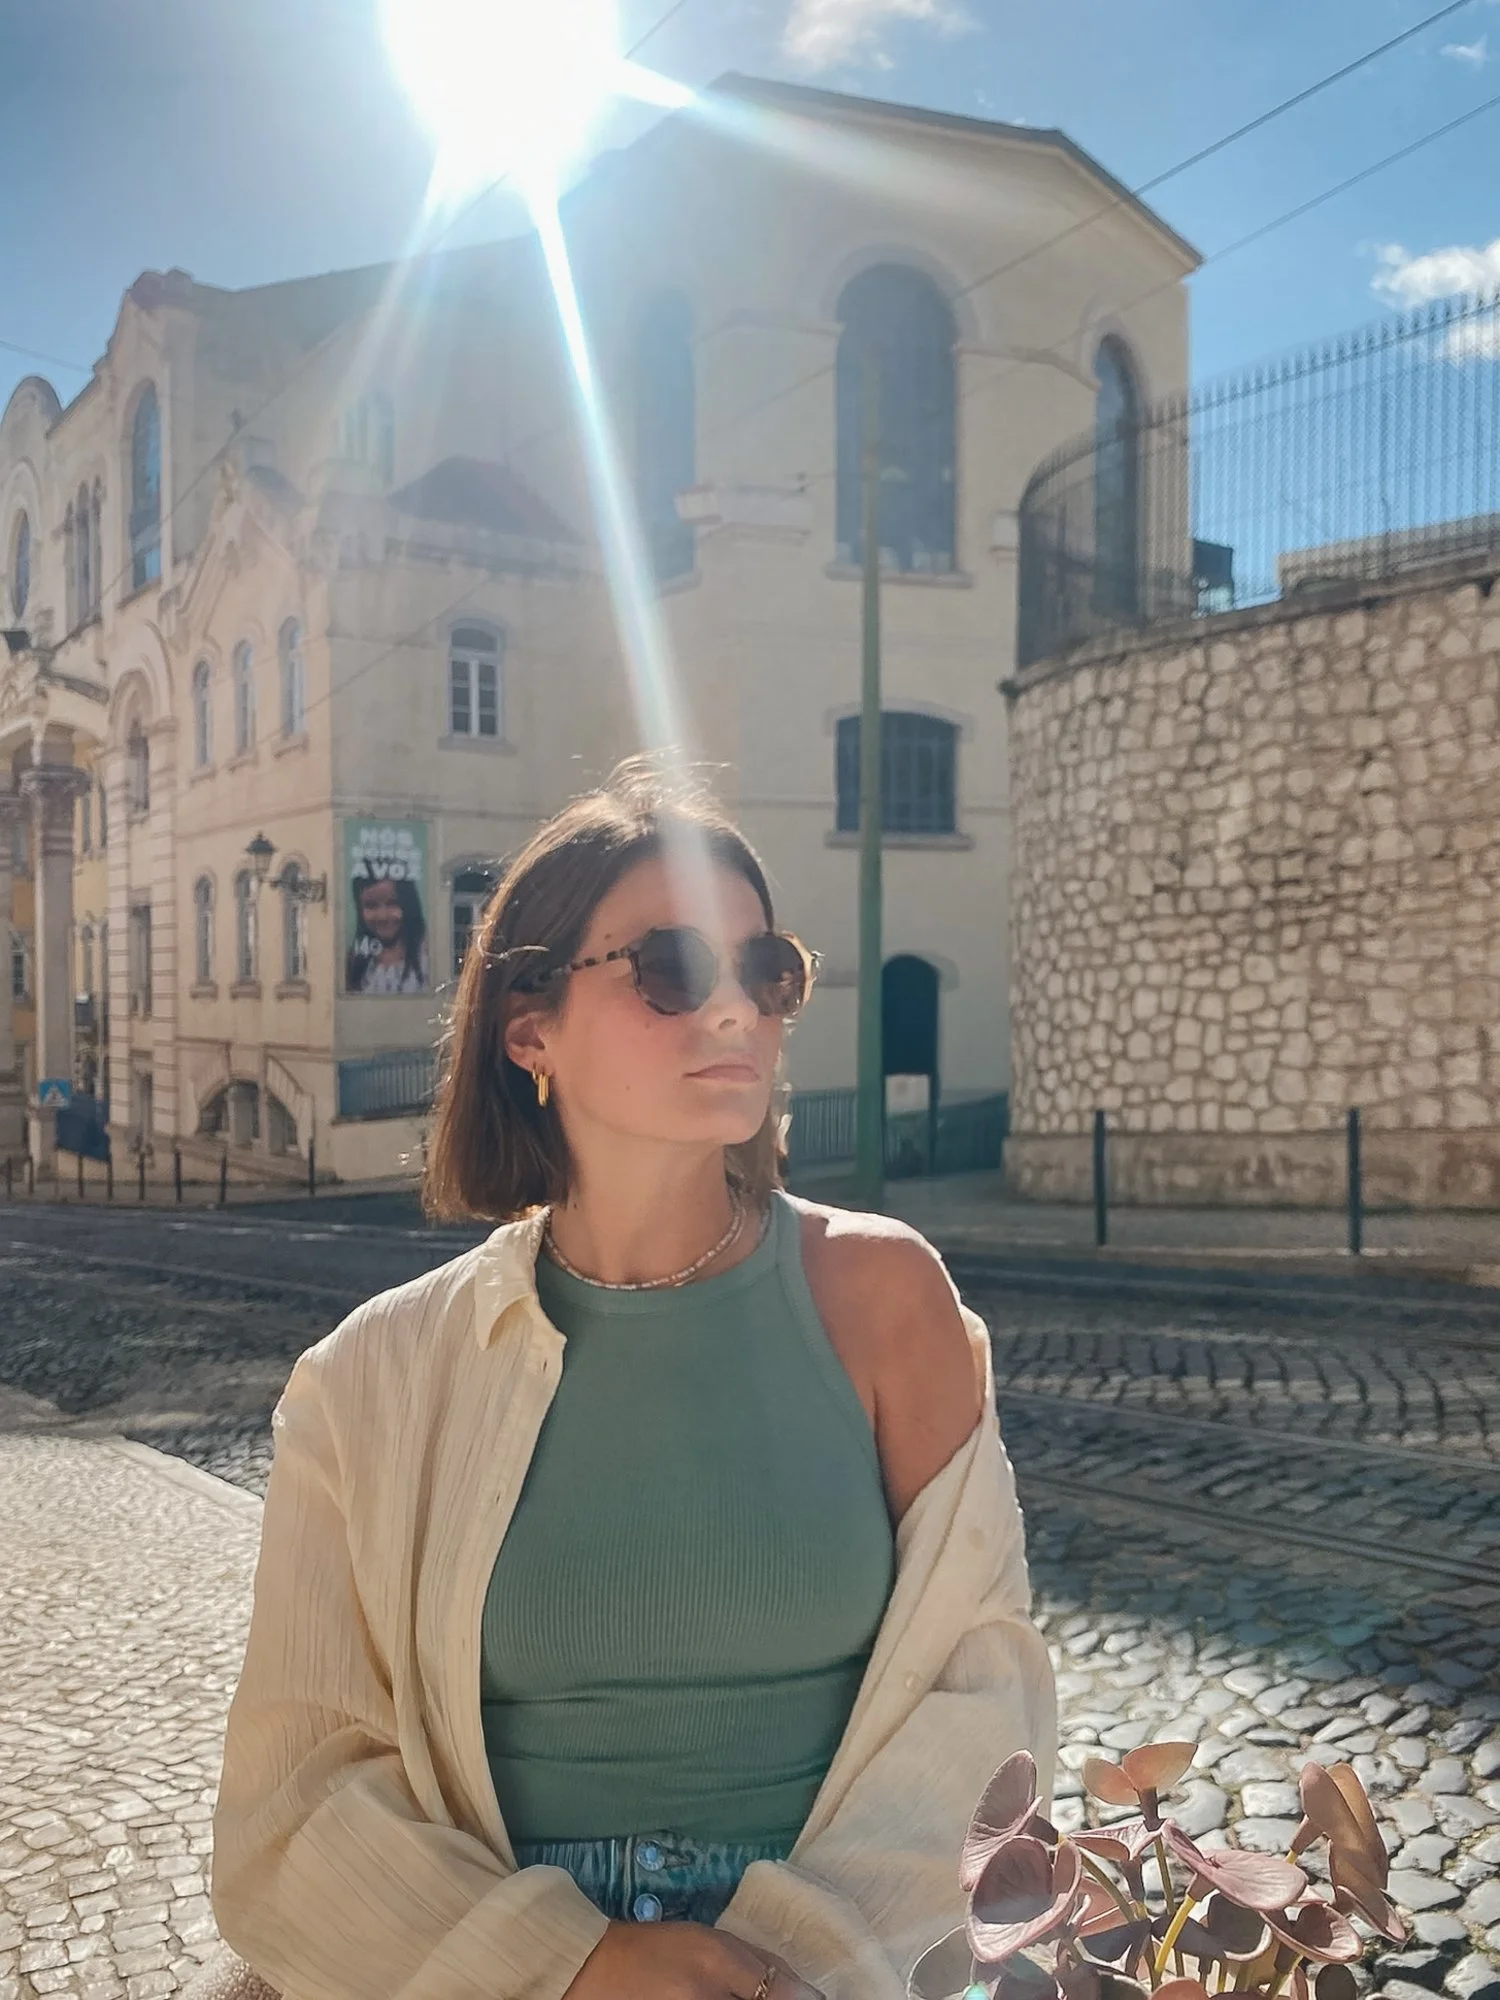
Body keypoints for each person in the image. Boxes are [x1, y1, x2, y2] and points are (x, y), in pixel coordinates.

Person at [208, 758, 1056, 2000]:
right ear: (529, 1025)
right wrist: (571, 1963)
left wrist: (801, 1965)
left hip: (842, 1960)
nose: (739, 1010)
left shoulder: (885, 1296)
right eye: (672, 965)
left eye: (768, 971)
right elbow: (294, 1798)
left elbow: (989, 1692)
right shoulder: (371, 1377)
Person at [346, 868, 430, 994]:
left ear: (408, 905)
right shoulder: (353, 962)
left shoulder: (428, 956)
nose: (382, 916)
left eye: (392, 903)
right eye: (371, 905)